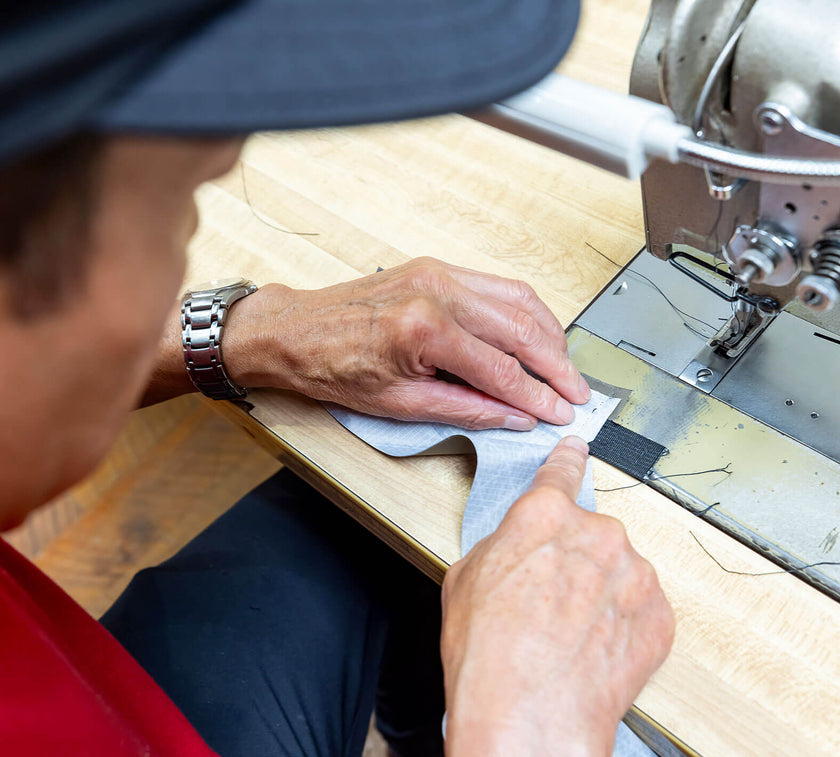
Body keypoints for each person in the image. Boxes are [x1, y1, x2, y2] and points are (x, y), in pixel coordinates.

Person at [0, 2, 674, 756]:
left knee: (351, 507)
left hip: (78, 685)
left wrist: (244, 333)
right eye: (180, 203)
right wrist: (523, 729)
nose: (187, 244)